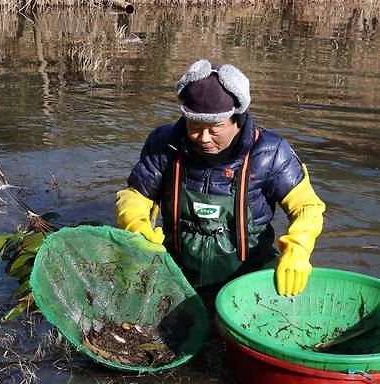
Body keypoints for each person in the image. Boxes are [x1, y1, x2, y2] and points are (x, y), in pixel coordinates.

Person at [116, 59, 325, 297]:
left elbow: (308, 207)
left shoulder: (271, 152)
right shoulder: (165, 144)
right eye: (194, 126)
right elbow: (134, 197)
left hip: (249, 281)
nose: (203, 138)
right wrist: (136, 225)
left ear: (236, 120)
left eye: (215, 129)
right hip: (176, 277)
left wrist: (297, 249)